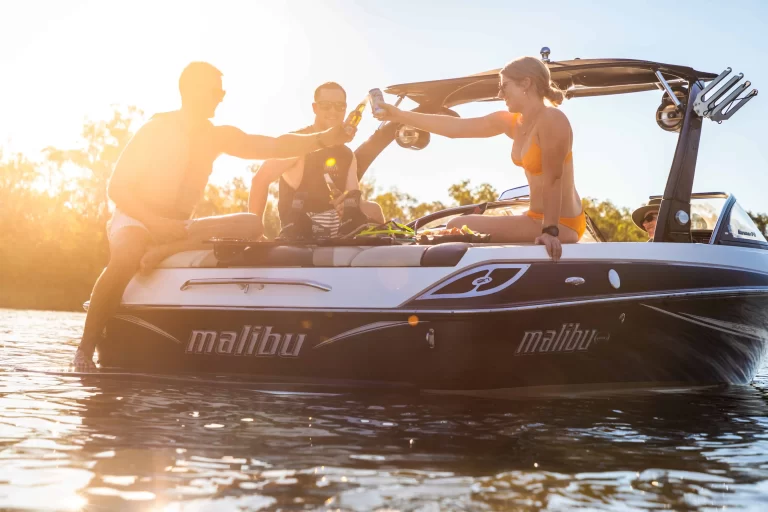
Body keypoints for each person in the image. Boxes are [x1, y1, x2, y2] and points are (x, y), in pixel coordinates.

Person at [73, 62, 356, 370]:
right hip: (137, 219)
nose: (221, 97)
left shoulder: (217, 136)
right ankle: (84, 350)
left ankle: (163, 251)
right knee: (128, 254)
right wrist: (155, 224)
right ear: (192, 90)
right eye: (216, 91)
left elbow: (274, 145)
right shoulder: (156, 129)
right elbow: (117, 188)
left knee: (251, 223)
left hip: (180, 228)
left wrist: (324, 139)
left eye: (222, 92)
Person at [374, 56, 583, 261]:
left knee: (455, 227)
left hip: (562, 223)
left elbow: (553, 178)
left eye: (505, 86)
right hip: (534, 218)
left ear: (526, 83)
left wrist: (550, 231)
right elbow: (456, 128)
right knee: (455, 226)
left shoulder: (552, 119)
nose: (500, 94)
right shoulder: (513, 122)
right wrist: (398, 115)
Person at [249, 82, 384, 237]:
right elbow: (260, 179)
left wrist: (347, 207)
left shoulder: (347, 154)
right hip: (299, 236)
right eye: (326, 105)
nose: (333, 111)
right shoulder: (298, 142)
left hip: (337, 235)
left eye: (339, 106)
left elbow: (353, 199)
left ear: (345, 109)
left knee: (374, 210)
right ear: (315, 108)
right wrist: (255, 233)